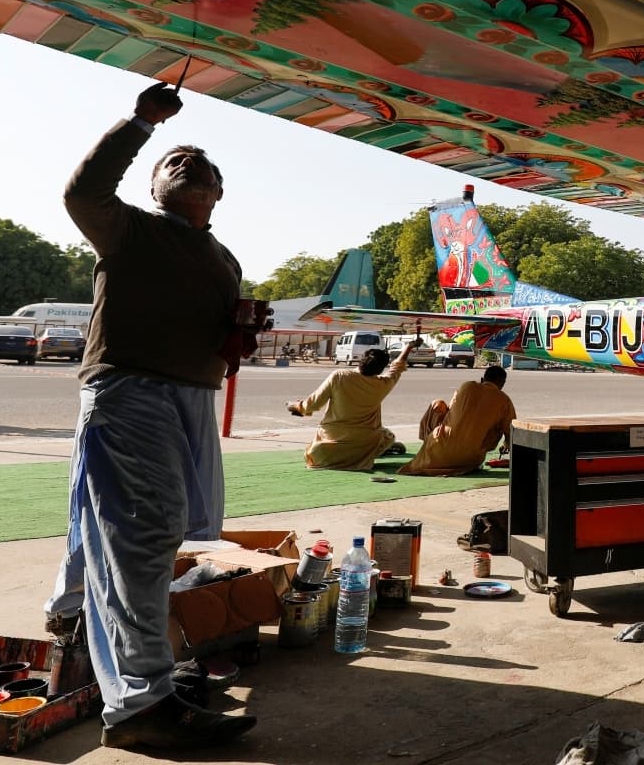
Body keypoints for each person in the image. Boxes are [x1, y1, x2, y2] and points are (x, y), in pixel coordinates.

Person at [40, 82, 257, 752]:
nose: (189, 162)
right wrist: (140, 123)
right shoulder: (128, 228)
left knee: (107, 529)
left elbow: (217, 335)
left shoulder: (223, 260)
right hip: (131, 392)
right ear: (157, 188)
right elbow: (82, 194)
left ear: (218, 194)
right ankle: (141, 702)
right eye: (174, 160)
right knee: (144, 534)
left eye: (204, 165)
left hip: (188, 400)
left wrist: (235, 337)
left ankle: (75, 633)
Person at [287, 341, 419, 470]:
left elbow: (313, 404)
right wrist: (408, 347)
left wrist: (295, 406)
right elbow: (397, 368)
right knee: (388, 436)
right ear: (380, 370)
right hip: (363, 445)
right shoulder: (383, 384)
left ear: (362, 359)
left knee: (319, 450)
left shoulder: (339, 376)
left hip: (327, 446)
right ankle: (374, 452)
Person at [398, 365, 516, 477]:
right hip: (470, 459)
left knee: (438, 404)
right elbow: (511, 431)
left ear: (482, 379)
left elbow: (450, 410)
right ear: (502, 384)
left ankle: (427, 443)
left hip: (436, 451)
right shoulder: (504, 400)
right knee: (499, 423)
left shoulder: (466, 386)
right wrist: (506, 444)